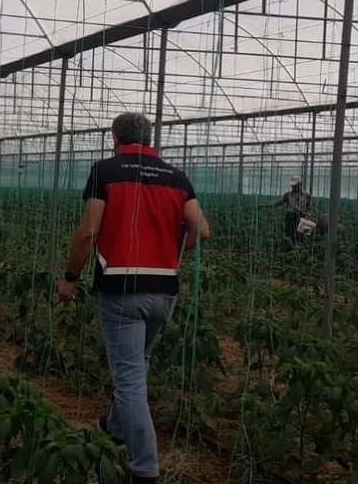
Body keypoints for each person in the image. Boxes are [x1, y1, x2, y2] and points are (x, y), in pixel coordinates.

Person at [56, 112, 209, 484]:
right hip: (164, 291)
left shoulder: (106, 171)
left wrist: (70, 277)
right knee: (138, 361)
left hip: (122, 289)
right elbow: (201, 229)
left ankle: (144, 469)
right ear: (149, 138)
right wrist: (170, 254)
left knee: (128, 379)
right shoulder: (176, 176)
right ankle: (116, 427)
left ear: (115, 138)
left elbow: (88, 231)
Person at [259, 176, 313, 242]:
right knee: (290, 235)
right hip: (291, 216)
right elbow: (277, 202)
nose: (293, 187)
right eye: (292, 185)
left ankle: (299, 245)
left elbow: (309, 208)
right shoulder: (288, 194)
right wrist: (264, 205)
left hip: (302, 218)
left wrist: (308, 215)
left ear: (300, 184)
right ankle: (290, 244)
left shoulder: (307, 195)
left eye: (295, 185)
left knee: (301, 236)